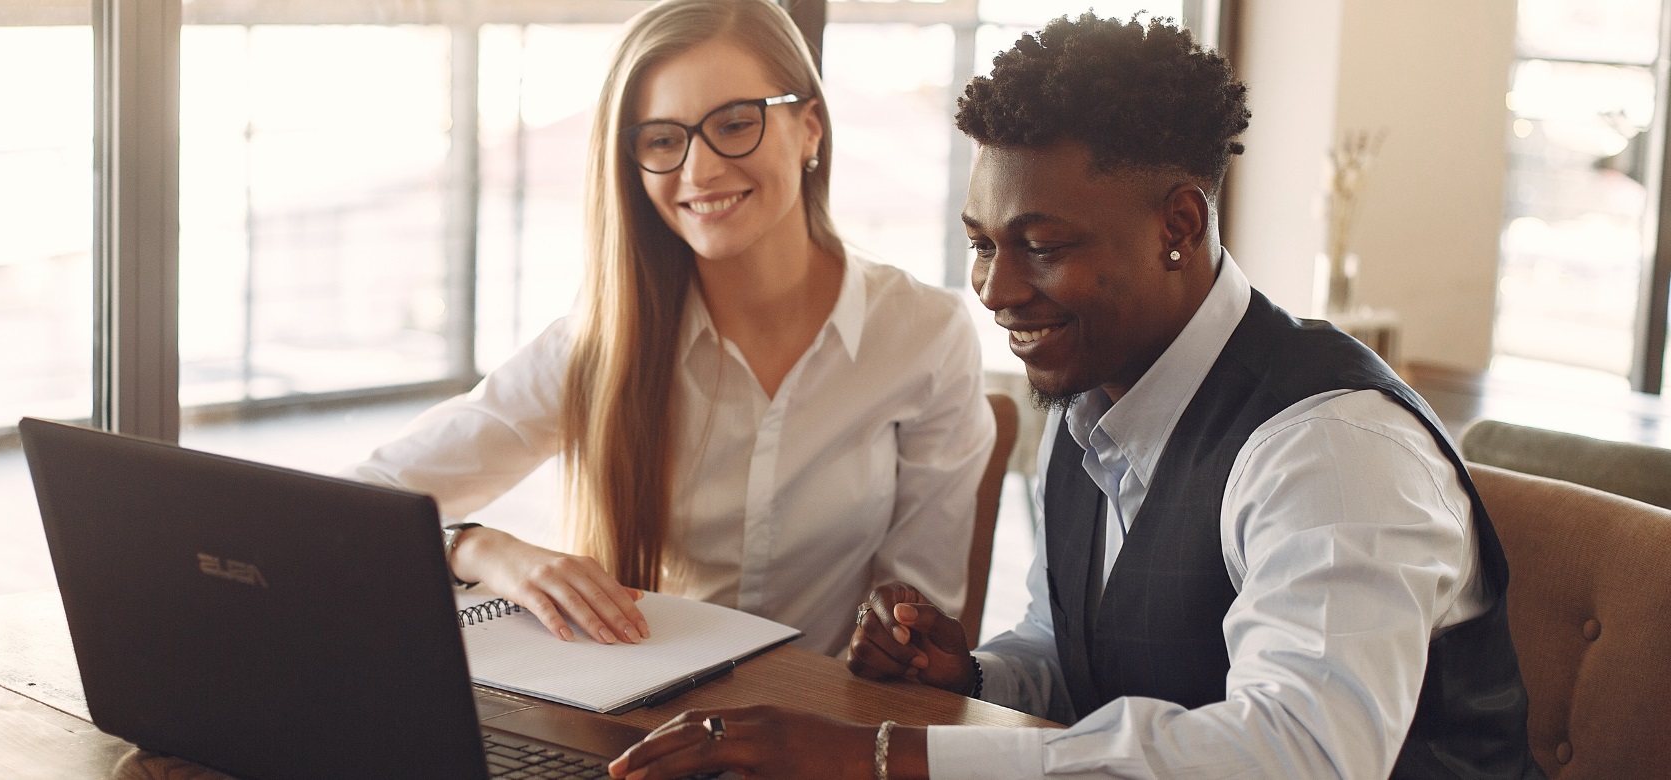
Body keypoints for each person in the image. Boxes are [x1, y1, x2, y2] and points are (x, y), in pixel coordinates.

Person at [608, 12, 1543, 780]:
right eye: (981, 242)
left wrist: (891, 754)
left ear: (1179, 223)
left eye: (1041, 246)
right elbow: (1074, 656)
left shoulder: (1332, 448)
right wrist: (974, 674)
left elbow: (1299, 752)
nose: (995, 289)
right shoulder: (1094, 393)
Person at [346, 0, 993, 657]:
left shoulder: (926, 337)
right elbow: (351, 505)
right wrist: (480, 547)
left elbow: (919, 627)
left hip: (823, 736)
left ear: (810, 129)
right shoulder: (599, 345)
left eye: (736, 123)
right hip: (637, 733)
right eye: (662, 139)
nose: (699, 170)